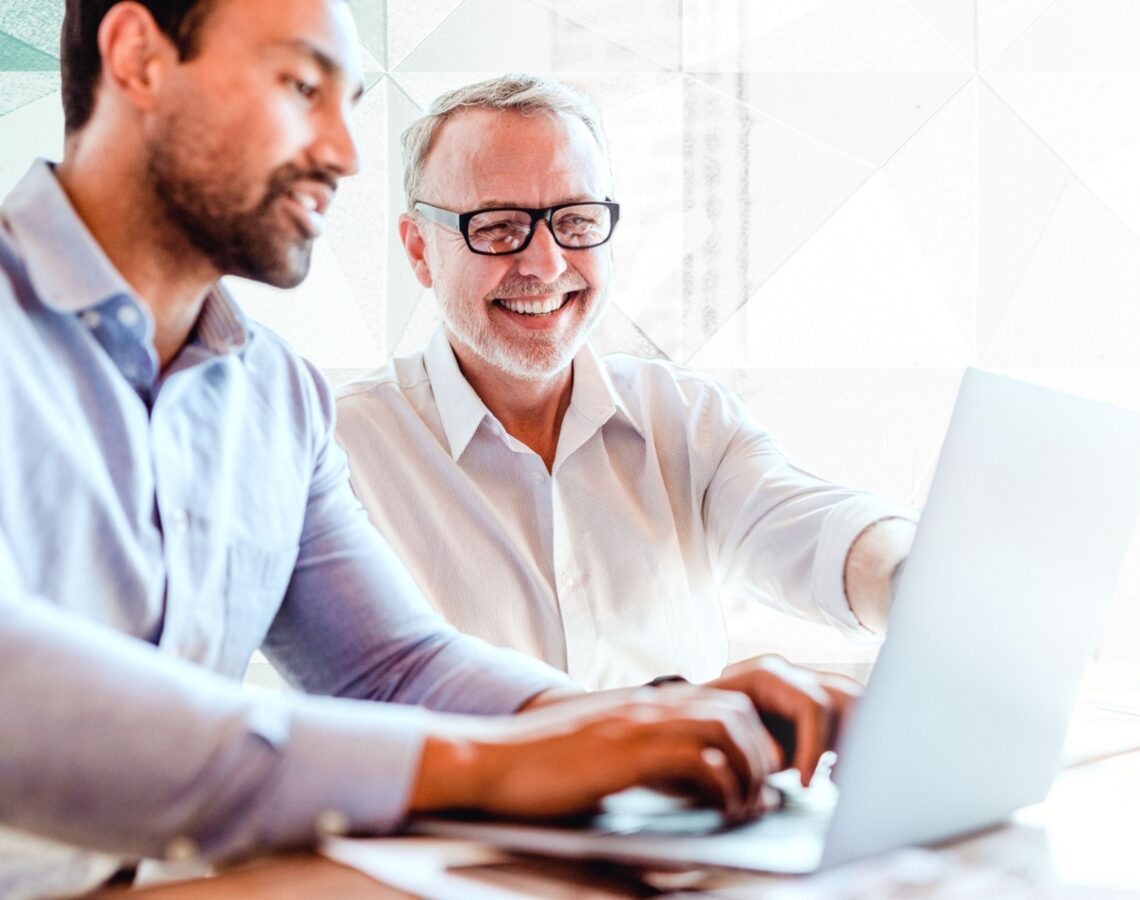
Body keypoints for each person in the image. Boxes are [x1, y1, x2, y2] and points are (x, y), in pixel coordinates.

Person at [0, 1, 857, 893]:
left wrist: (660, 724)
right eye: (301, 86)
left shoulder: (276, 397)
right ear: (138, 57)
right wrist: (491, 765)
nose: (344, 153)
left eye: (349, 103)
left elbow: (392, 666)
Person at [335, 75, 919, 690]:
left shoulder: (684, 417)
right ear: (421, 250)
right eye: (498, 227)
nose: (546, 264)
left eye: (578, 221)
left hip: (693, 789)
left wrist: (912, 579)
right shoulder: (339, 450)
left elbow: (804, 526)